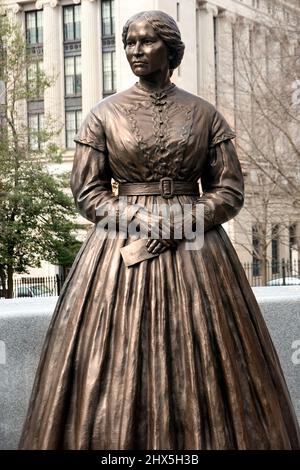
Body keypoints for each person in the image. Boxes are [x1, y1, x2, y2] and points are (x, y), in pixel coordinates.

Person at [19, 10, 300, 450]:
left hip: (198, 252)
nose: (135, 51)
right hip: (120, 252)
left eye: (147, 42)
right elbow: (87, 192)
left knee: (206, 355)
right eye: (128, 42)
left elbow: (229, 190)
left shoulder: (205, 115)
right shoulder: (102, 115)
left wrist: (185, 221)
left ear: (171, 49)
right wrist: (138, 217)